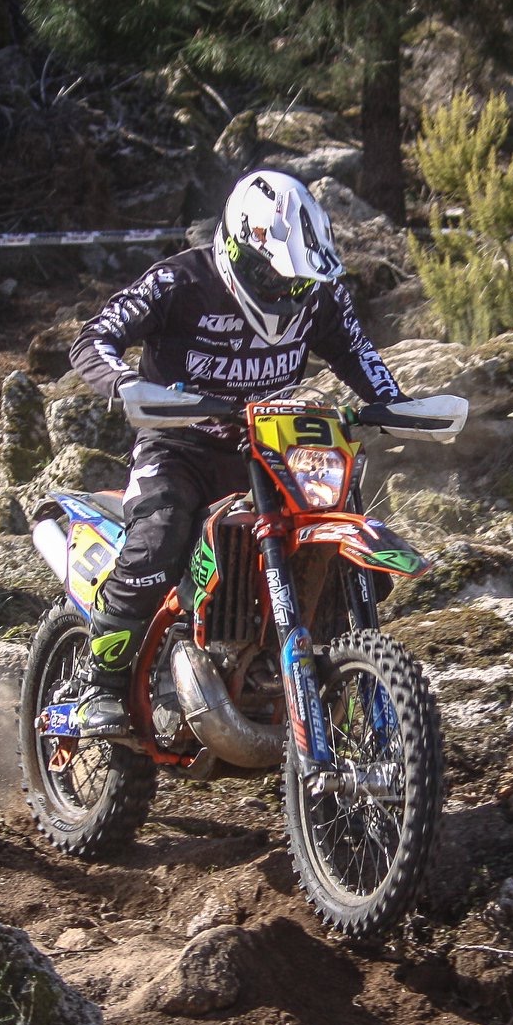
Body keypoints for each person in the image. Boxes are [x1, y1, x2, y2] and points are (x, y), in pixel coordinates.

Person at [63, 169, 407, 736]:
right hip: (180, 446)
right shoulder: (179, 281)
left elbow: (356, 353)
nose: (280, 288)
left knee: (348, 546)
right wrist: (126, 384)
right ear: (235, 245)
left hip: (273, 449)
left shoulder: (319, 293)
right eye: (268, 273)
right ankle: (99, 686)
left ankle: (324, 677)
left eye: (292, 280)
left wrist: (391, 403)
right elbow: (93, 338)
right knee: (159, 541)